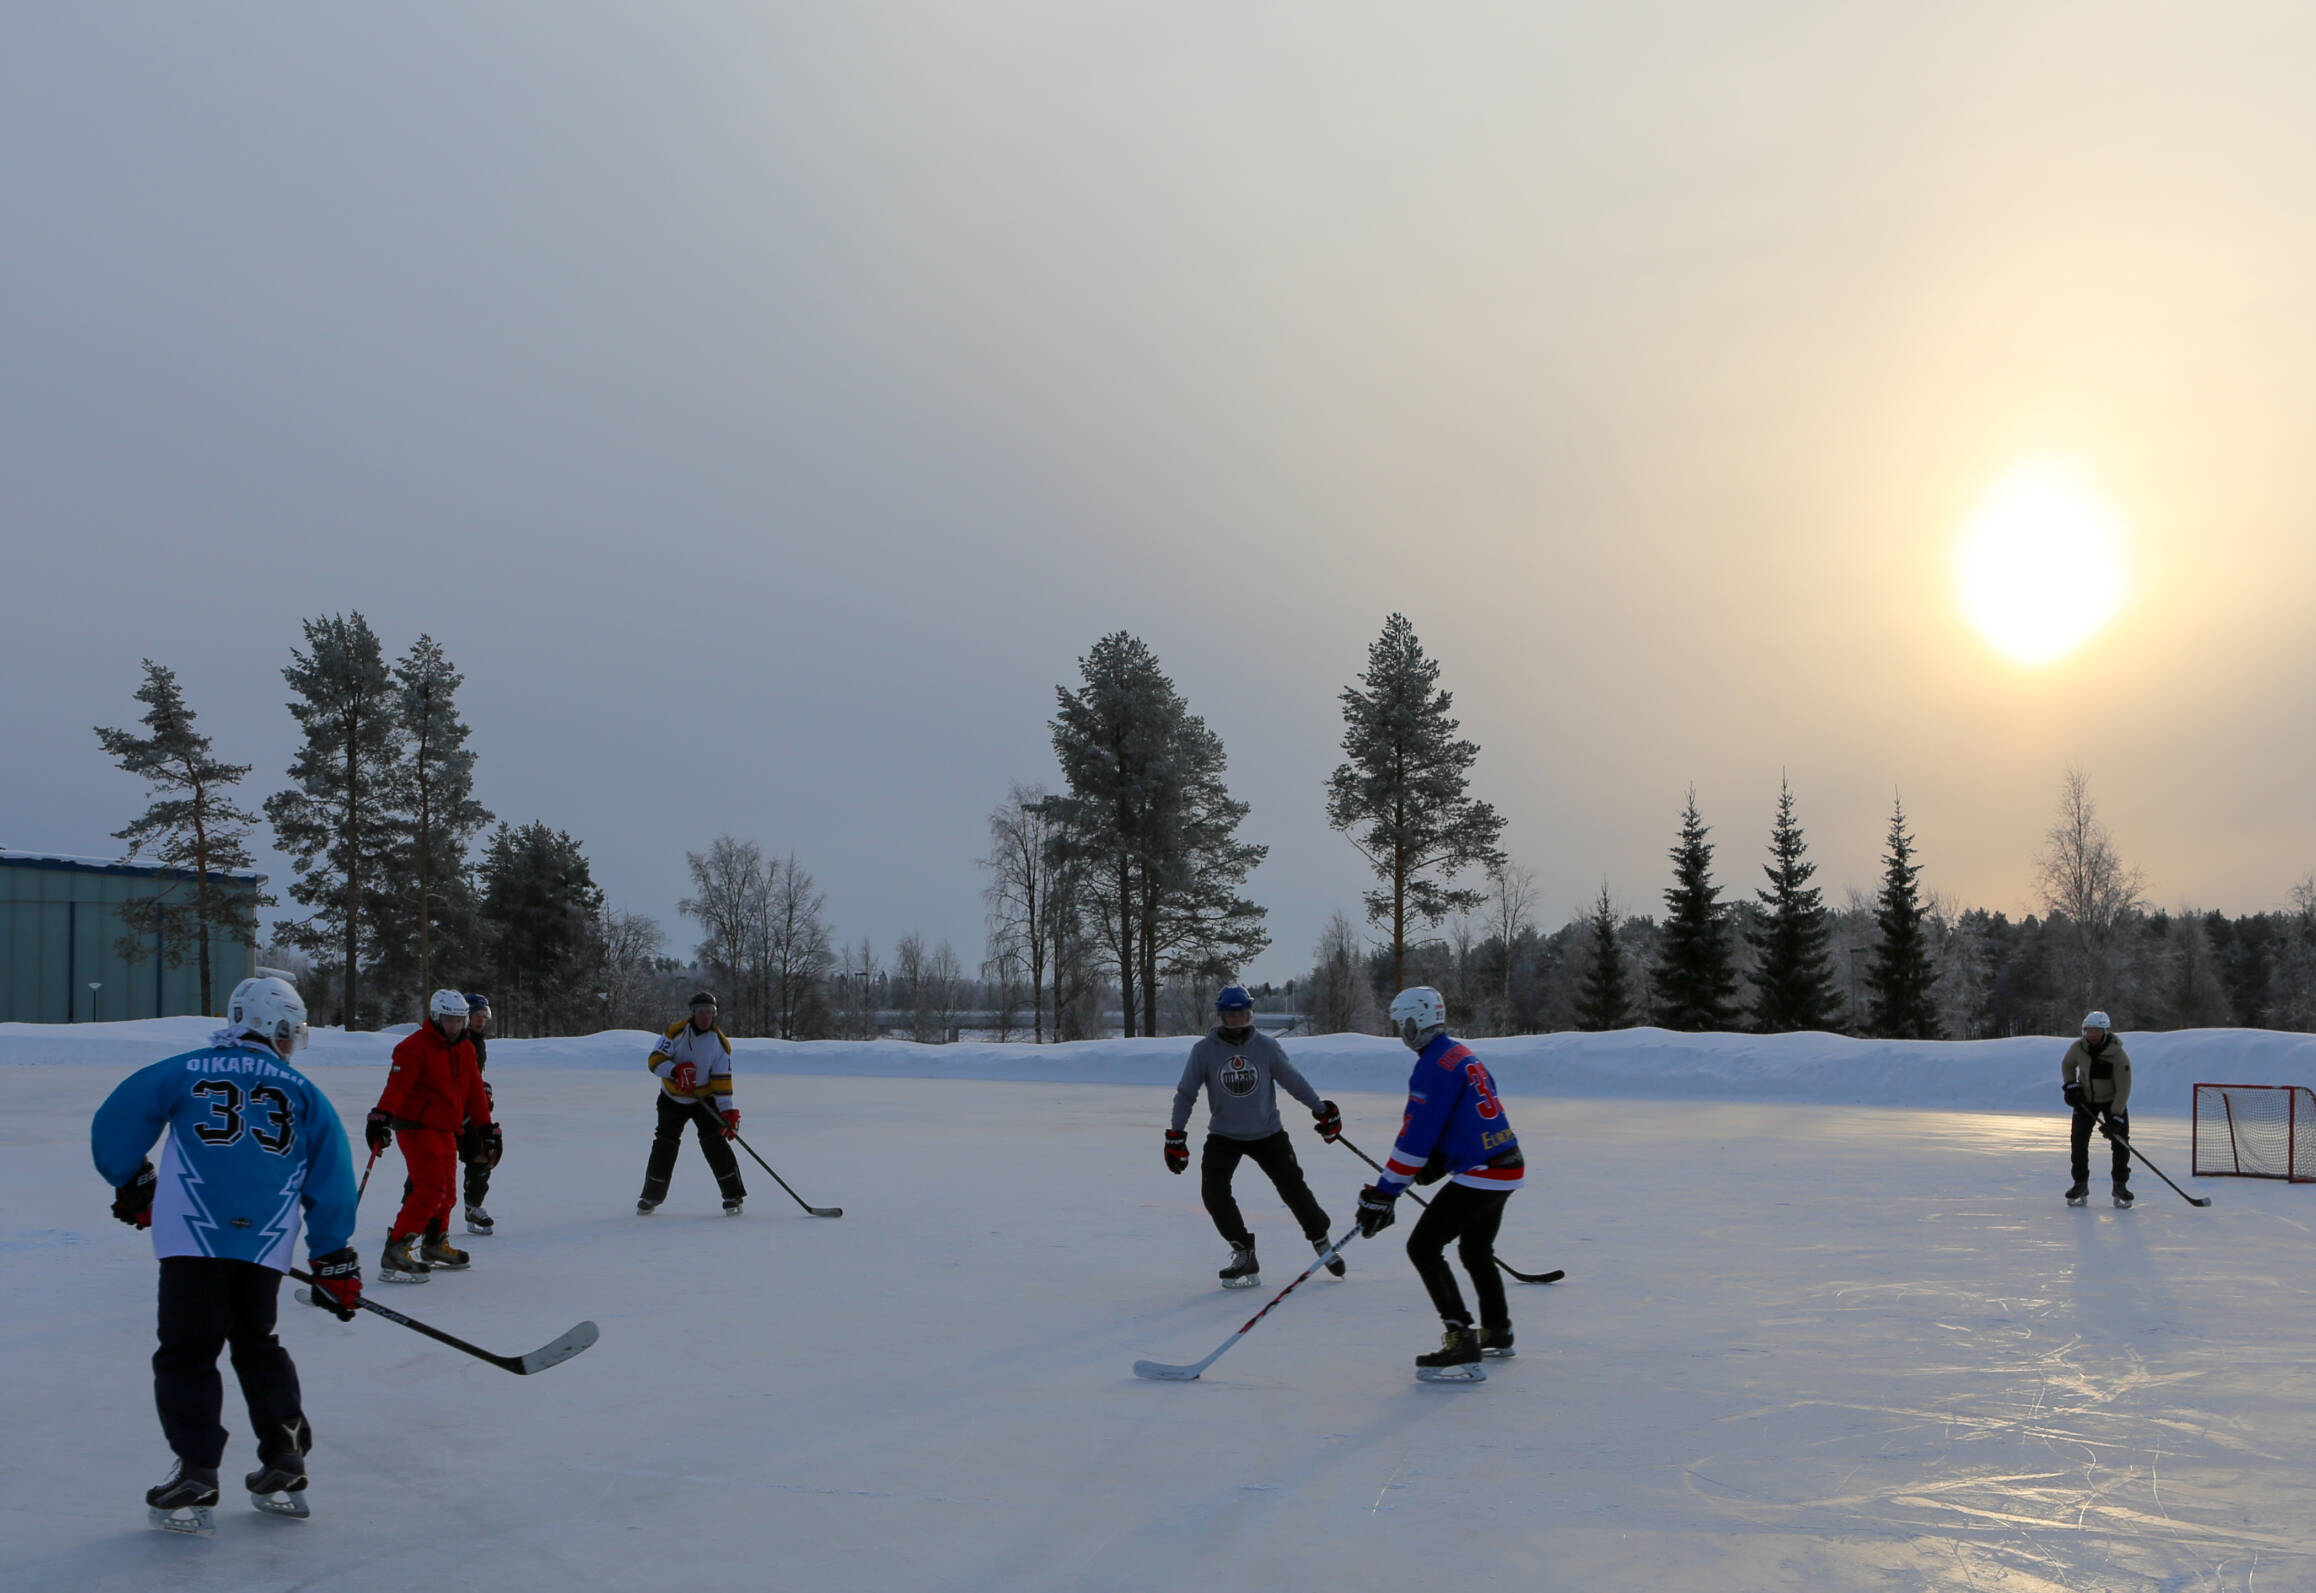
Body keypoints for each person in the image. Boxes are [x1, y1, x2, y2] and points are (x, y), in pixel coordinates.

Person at [91, 974, 362, 1532]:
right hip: (263, 1242)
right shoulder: (303, 1091)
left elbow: (116, 1123)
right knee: (257, 1345)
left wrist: (131, 1179)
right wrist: (332, 1255)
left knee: (188, 1351)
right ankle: (285, 1454)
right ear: (273, 1028)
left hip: (192, 1237)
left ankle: (196, 1470)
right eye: (291, 1032)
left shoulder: (185, 1070)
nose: (292, 1043)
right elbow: (330, 1174)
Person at [1352, 986, 1525, 1381]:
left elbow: (1414, 1139)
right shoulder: (1460, 1054)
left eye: (1402, 1025)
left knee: (1424, 1246)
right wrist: (1439, 1164)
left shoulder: (1433, 1066)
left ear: (1414, 1023)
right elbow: (1470, 1117)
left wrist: (1385, 1193)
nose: (1401, 1033)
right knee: (1476, 1248)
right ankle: (1497, 1329)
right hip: (1507, 1164)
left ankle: (1461, 1338)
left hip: (1483, 1173)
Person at [1166, 985, 1342, 1288]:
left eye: (1243, 1015)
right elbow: (1186, 1094)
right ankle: (1243, 1251)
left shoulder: (1266, 1047)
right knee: (1214, 1192)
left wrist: (1320, 1109)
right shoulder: (1204, 1051)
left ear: (1251, 1014)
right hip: (1224, 1135)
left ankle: (1321, 1240)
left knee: (1293, 1188)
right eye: (1232, 1016)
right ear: (1221, 1016)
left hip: (1268, 1133)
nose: (1238, 1022)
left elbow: (1293, 1081)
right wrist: (1176, 1136)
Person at [367, 990, 492, 1281]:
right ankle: (396, 1248)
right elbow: (397, 1087)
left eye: (459, 1020)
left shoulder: (465, 1049)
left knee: (447, 1190)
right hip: (415, 1126)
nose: (454, 1026)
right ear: (436, 1017)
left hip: (447, 1127)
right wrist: (381, 1116)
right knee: (430, 1187)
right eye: (448, 1019)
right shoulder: (413, 1047)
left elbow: (474, 1090)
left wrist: (486, 1127)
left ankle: (435, 1244)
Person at [636, 991, 746, 1216]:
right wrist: (675, 1071)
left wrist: (727, 1114)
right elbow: (654, 1061)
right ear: (692, 1013)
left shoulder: (719, 1044)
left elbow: (722, 1084)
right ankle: (651, 1195)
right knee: (665, 1143)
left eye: (710, 1012)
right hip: (671, 1098)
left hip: (703, 1100)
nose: (705, 1017)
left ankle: (733, 1195)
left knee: (714, 1142)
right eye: (701, 1012)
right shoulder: (675, 1032)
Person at [2062, 1009, 2134, 1207]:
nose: (2093, 1035)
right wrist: (2071, 1085)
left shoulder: (2118, 1055)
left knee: (2120, 1144)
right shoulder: (2078, 1048)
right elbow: (2067, 1065)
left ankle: (2120, 1184)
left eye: (2097, 1031)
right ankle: (2080, 1183)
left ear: (2105, 1031)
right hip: (2086, 1101)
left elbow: (2124, 1088)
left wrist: (2116, 1116)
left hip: (2112, 1101)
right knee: (2078, 1141)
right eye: (2089, 1031)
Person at [458, 993, 504, 1236]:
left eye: (484, 1016)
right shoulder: (457, 1040)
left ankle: (473, 1207)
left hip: (471, 1110)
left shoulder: (478, 1041)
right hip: (449, 1111)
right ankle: (411, 1212)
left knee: (482, 1154)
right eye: (477, 1015)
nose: (481, 1020)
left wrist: (482, 1090)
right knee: (430, 1166)